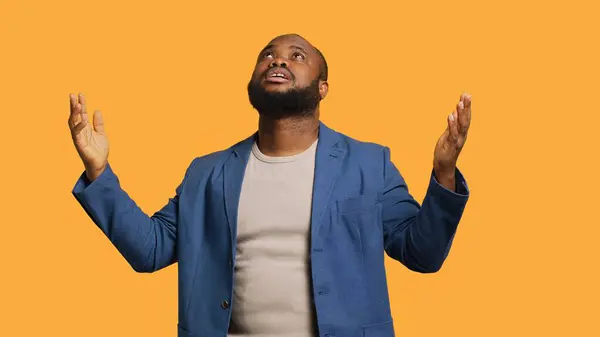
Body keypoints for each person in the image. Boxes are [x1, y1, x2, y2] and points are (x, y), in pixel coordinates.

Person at [69, 33, 471, 337]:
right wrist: (99, 173)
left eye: (297, 56)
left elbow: (423, 254)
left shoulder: (369, 163)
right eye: (268, 56)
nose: (278, 61)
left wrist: (444, 174)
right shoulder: (207, 173)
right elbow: (150, 249)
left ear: (323, 87)